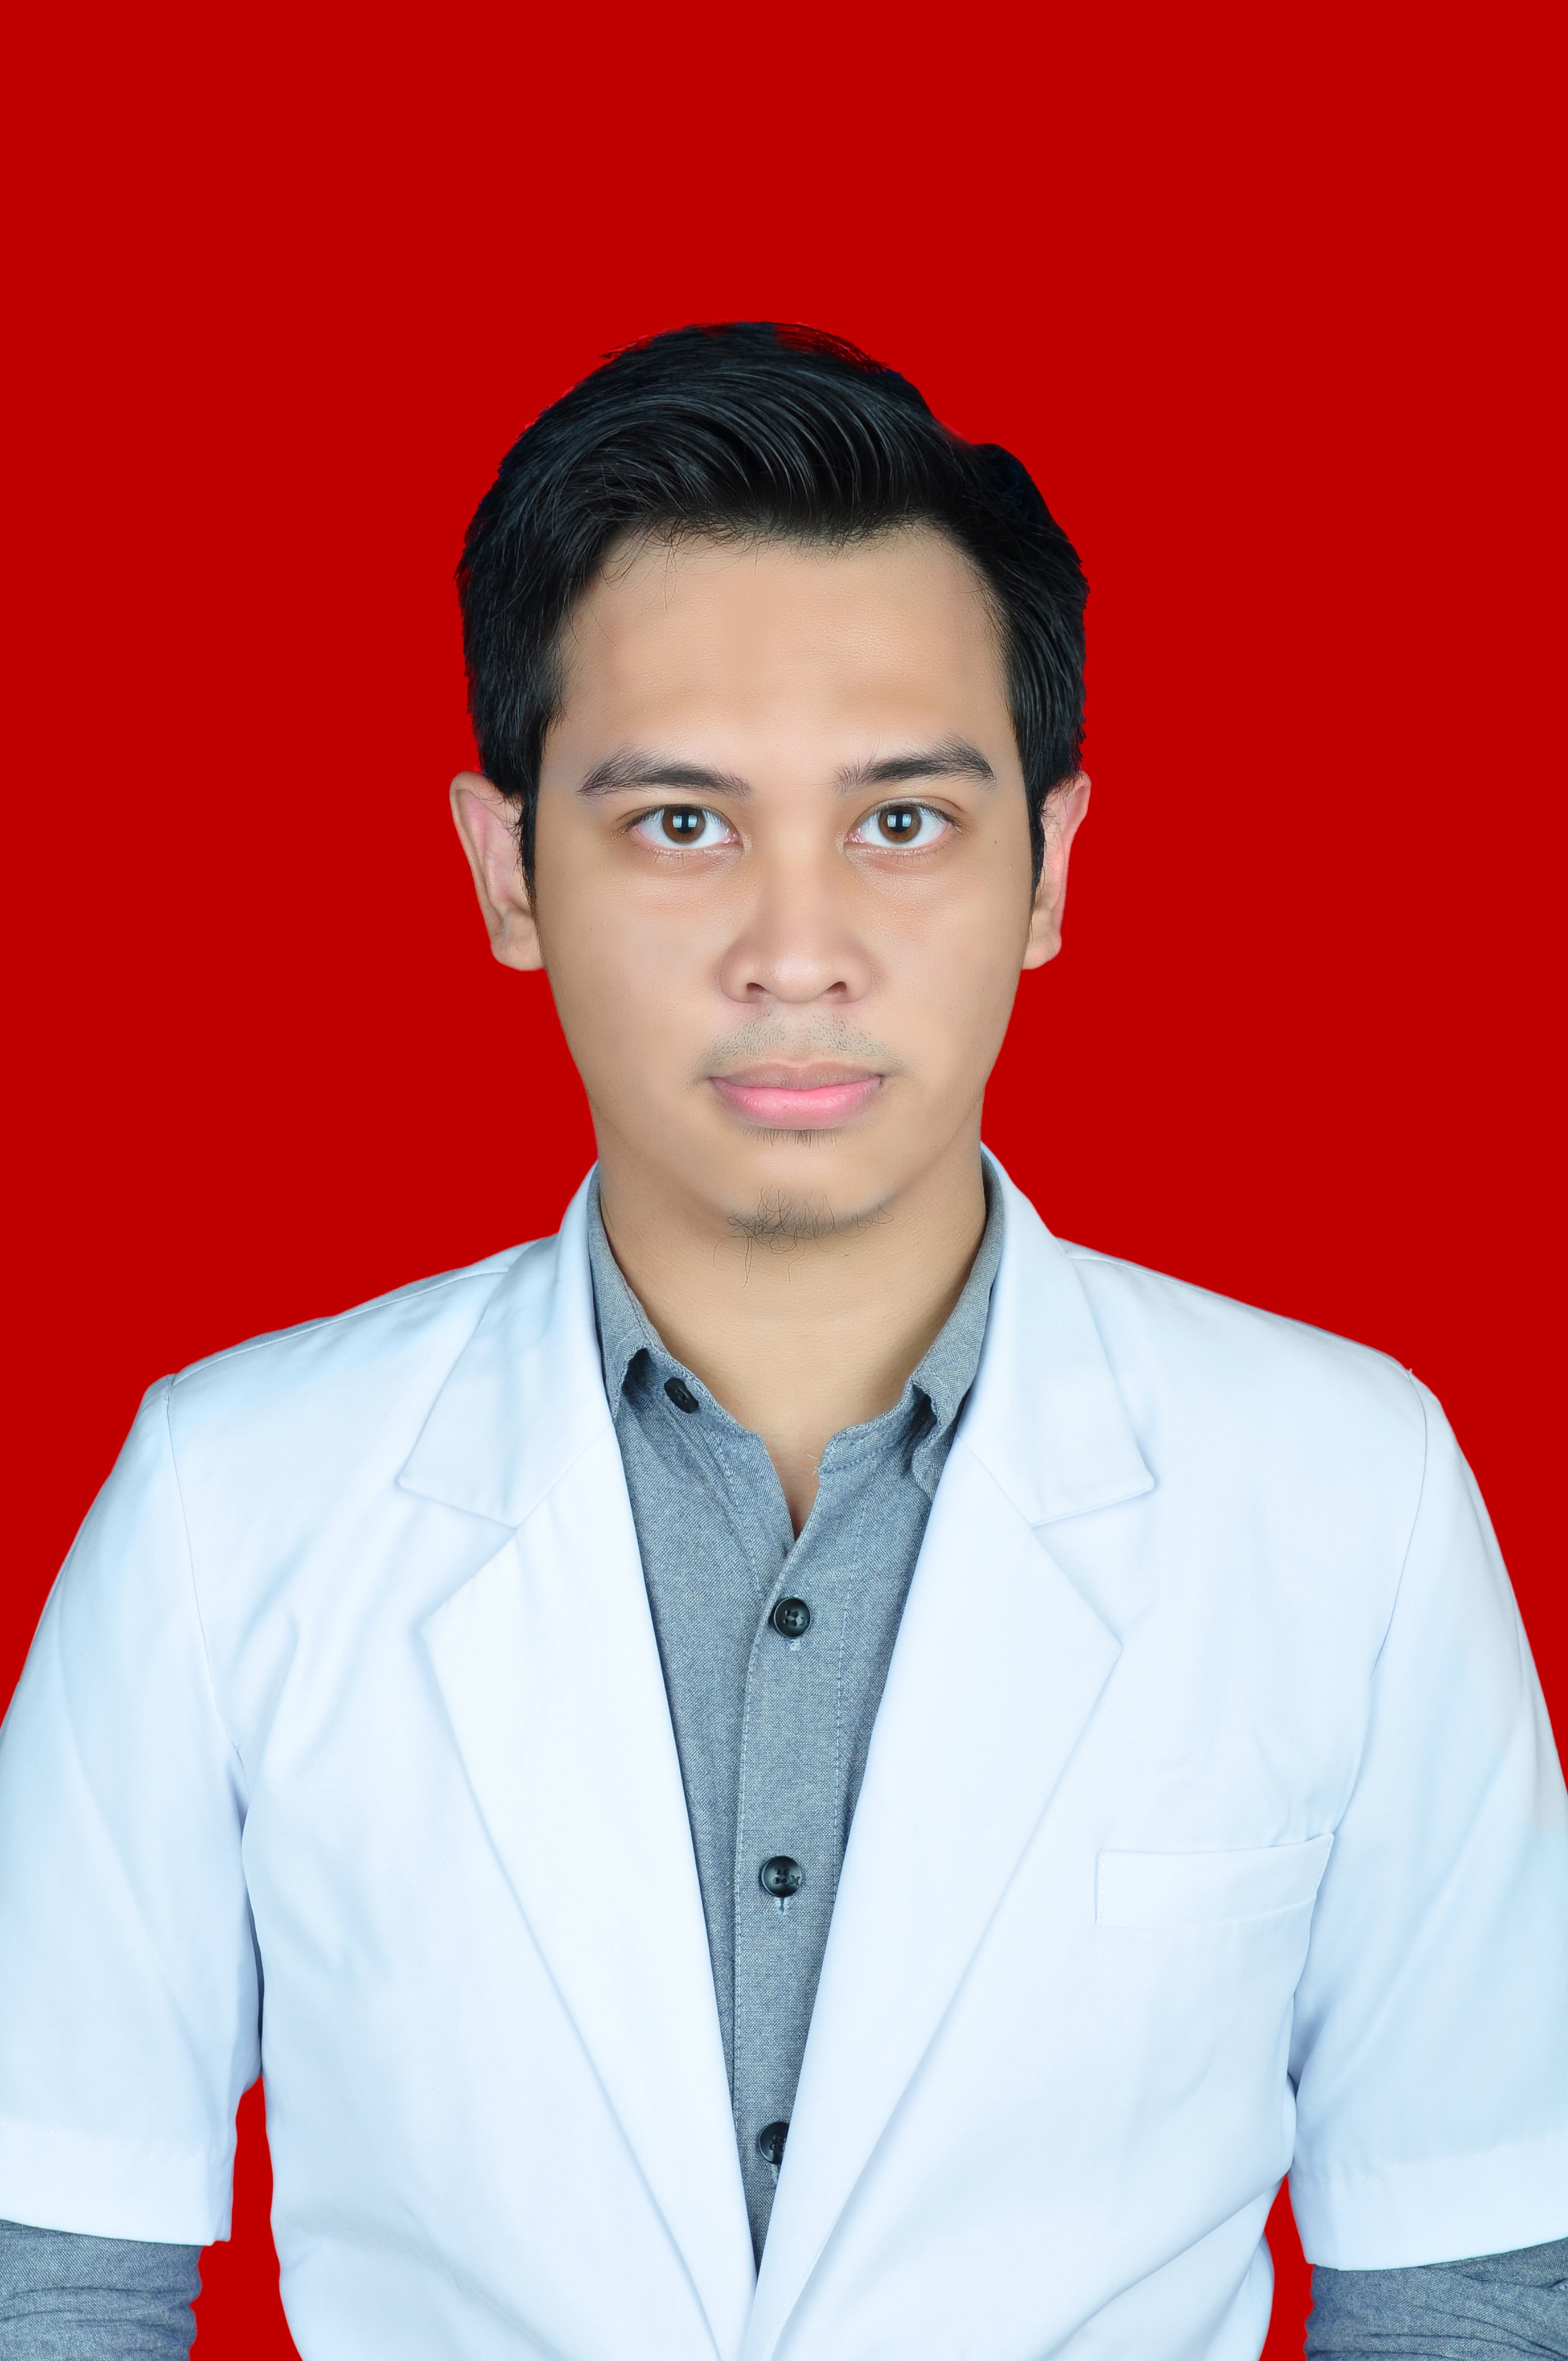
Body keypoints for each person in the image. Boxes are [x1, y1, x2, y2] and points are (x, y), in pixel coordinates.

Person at [1, 322, 1565, 2361]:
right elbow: (57, 2265)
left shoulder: (1346, 1486)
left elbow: (1466, 2281)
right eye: (681, 824)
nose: (795, 949)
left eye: (901, 822)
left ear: (1050, 871)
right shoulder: (232, 1500)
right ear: (506, 870)